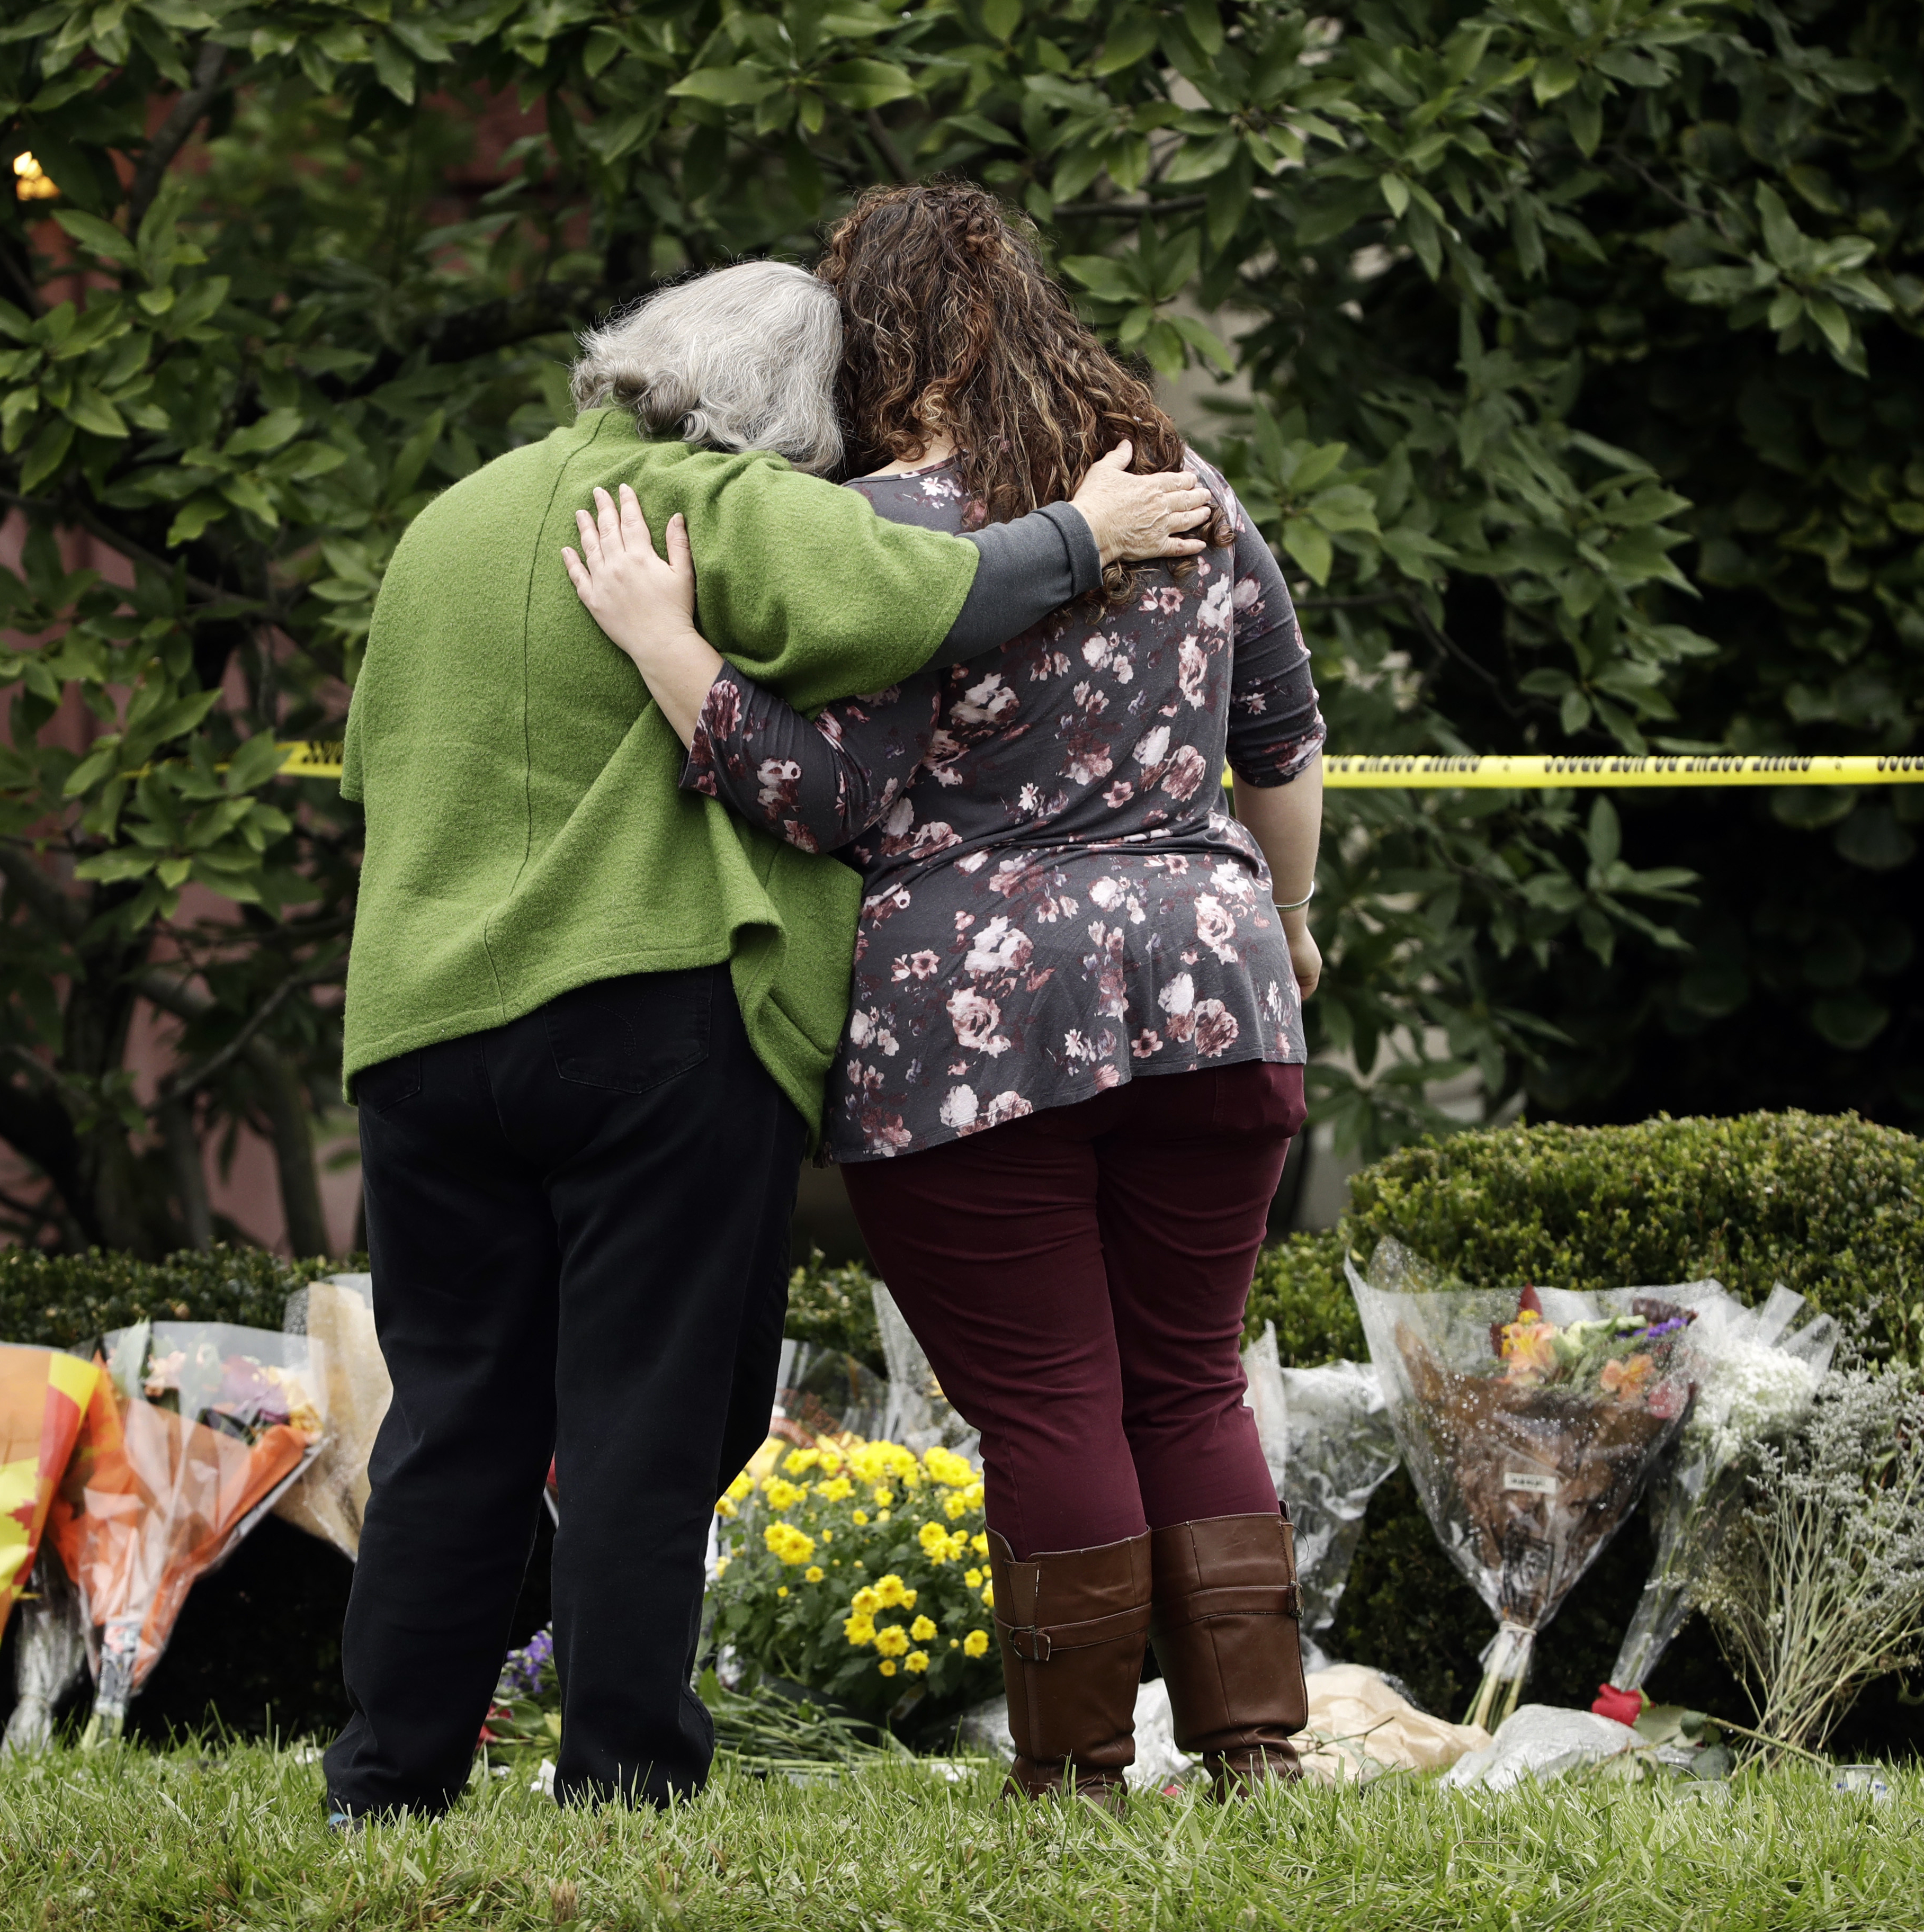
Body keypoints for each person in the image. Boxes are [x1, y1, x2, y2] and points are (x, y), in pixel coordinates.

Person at [325, 257, 1215, 1822]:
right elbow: (929, 591)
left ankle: (388, 1780)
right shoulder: (723, 505)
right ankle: (619, 1778)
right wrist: (1096, 531)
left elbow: (367, 767)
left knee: (455, 1411)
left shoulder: (447, 525)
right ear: (786, 417)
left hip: (425, 1031)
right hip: (646, 1018)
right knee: (646, 1418)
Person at [563, 184, 1329, 1808]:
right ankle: (1255, 1748)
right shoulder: (1185, 488)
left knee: (1051, 1394)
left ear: (878, 347)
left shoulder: (894, 532)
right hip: (1216, 980)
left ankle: (1077, 1776)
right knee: (1189, 1373)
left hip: (977, 1028)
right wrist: (1294, 919)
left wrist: (662, 644)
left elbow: (817, 791)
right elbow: (1285, 731)